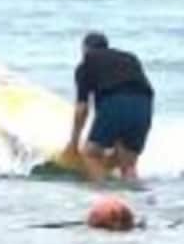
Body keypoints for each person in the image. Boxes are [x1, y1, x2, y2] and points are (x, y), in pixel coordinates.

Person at [64, 32, 154, 182]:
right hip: (144, 104)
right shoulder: (130, 58)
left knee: (90, 154)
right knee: (127, 163)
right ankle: (133, 192)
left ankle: (102, 192)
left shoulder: (87, 63)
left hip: (115, 101)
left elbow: (82, 109)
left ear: (85, 49)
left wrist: (73, 144)